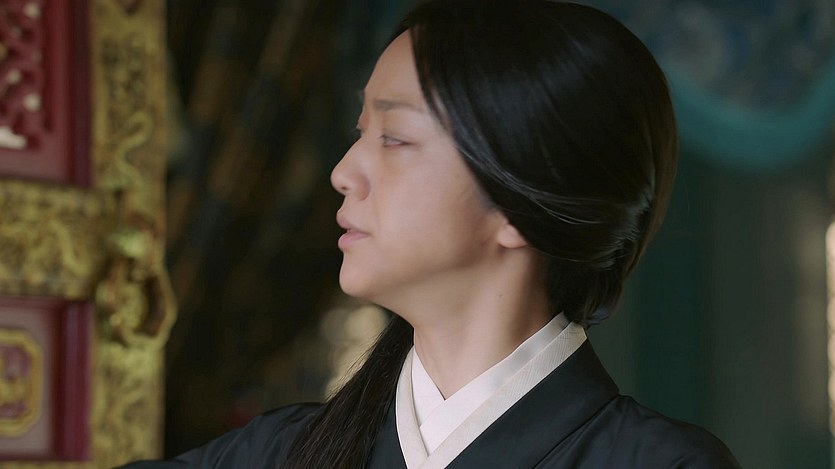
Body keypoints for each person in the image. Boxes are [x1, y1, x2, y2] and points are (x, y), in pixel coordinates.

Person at [124, 1, 740, 467]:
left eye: (394, 138)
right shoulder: (277, 452)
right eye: (360, 132)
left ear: (518, 203)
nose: (343, 173)